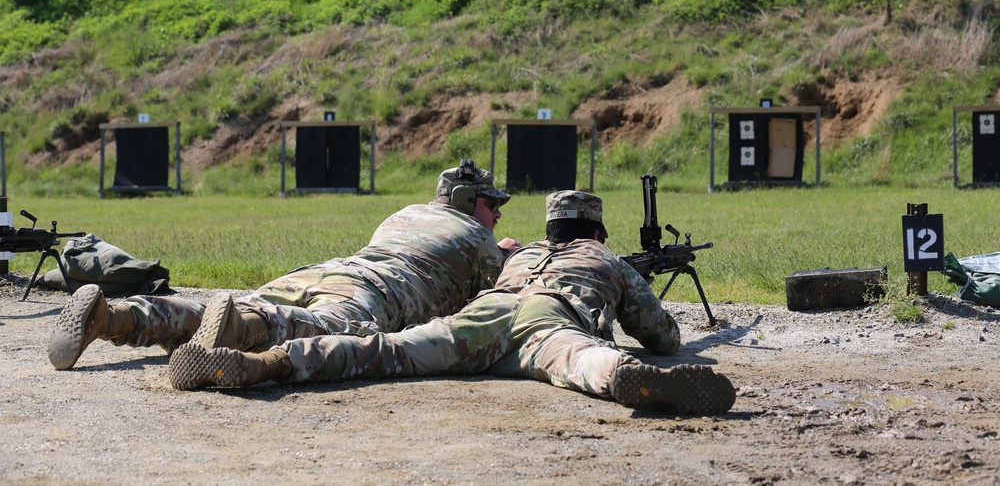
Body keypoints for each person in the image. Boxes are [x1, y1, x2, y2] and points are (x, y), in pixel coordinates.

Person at [166, 190, 736, 415]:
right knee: (577, 359)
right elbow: (660, 332)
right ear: (598, 229)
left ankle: (265, 364)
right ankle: (628, 379)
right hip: (547, 320)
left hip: (480, 317)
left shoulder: (515, 254)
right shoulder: (605, 261)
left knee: (382, 351)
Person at [48, 160, 521, 371]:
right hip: (376, 292)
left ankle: (115, 316)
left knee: (227, 304)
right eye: (490, 203)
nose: (496, 211)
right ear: (465, 200)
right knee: (311, 327)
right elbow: (492, 299)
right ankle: (237, 327)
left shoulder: (404, 213)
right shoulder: (480, 237)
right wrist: (504, 251)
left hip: (324, 270)